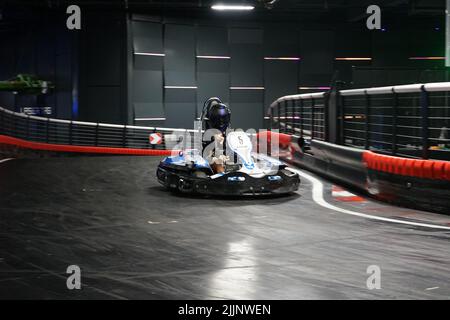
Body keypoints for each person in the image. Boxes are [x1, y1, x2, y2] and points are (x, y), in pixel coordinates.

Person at [201, 98, 232, 173]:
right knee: (218, 163)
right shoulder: (208, 136)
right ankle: (222, 179)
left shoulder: (229, 137)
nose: (221, 122)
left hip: (227, 162)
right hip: (211, 163)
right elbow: (206, 155)